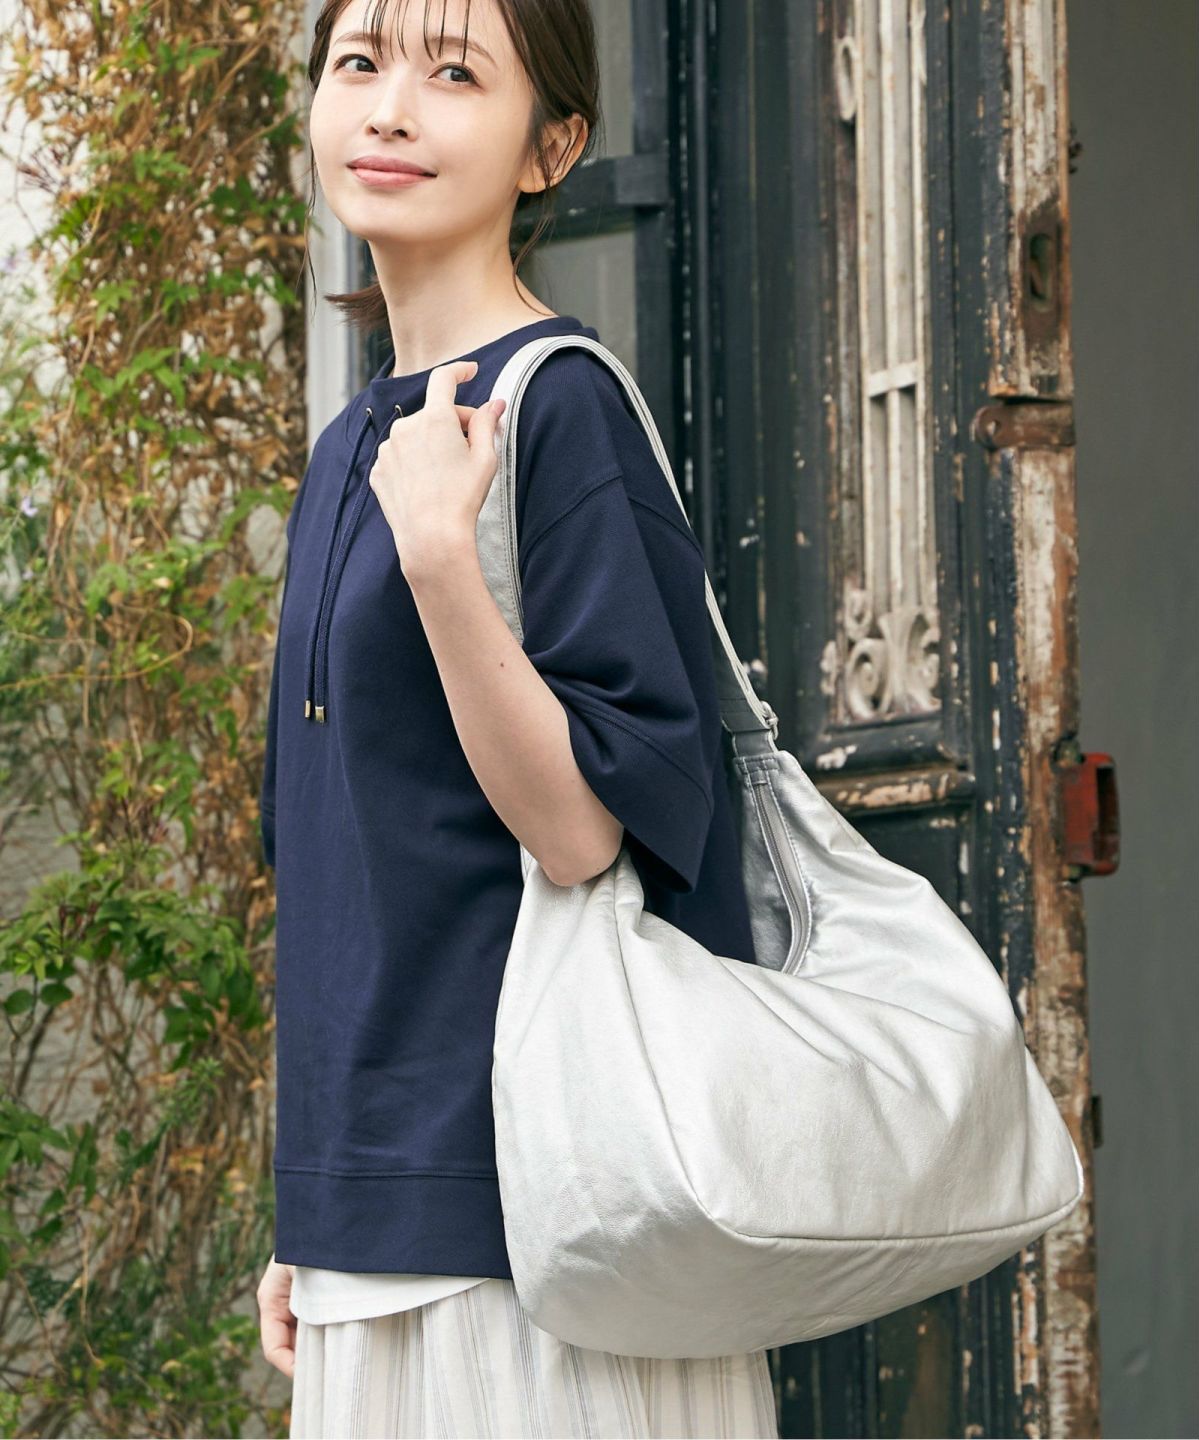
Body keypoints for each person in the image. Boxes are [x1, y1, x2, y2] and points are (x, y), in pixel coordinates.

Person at [255, 0, 780, 1434]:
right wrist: (315, 1203)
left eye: (454, 72)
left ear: (553, 147)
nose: (391, 107)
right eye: (359, 62)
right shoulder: (347, 447)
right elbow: (346, 868)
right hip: (379, 1231)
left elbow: (585, 830)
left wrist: (441, 558)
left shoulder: (560, 413)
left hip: (546, 1236)